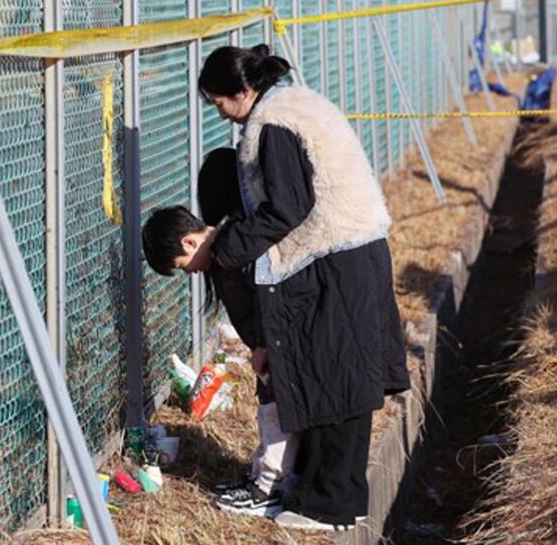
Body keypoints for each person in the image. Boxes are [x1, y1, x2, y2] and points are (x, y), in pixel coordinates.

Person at [145, 44, 410, 531]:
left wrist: (228, 247)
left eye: (220, 102)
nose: (220, 113)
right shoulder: (290, 108)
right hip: (351, 251)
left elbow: (288, 209)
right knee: (334, 379)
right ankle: (320, 495)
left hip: (338, 256)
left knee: (336, 383)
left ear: (244, 91)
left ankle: (328, 505)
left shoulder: (273, 126)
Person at [189, 148, 300, 517]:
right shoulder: (245, 236)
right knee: (272, 406)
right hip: (271, 341)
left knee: (275, 408)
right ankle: (266, 475)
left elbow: (261, 300)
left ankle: (270, 483)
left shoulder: (234, 250)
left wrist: (264, 344)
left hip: (272, 342)